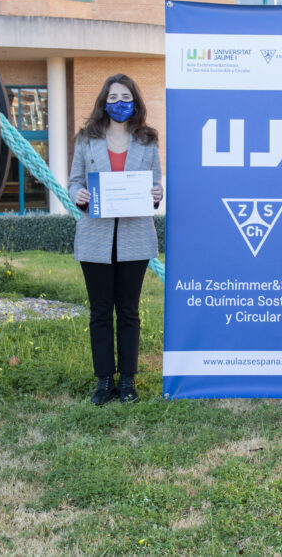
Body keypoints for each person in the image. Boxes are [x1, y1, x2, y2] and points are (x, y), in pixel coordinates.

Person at [69, 74, 163, 405]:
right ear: (103, 102)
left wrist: (156, 193)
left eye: (125, 98)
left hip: (134, 237)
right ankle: (104, 380)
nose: (119, 104)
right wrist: (77, 193)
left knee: (128, 311)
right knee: (99, 312)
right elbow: (74, 182)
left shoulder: (148, 140)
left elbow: (156, 186)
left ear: (135, 102)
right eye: (113, 98)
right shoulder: (86, 139)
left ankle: (127, 381)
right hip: (95, 237)